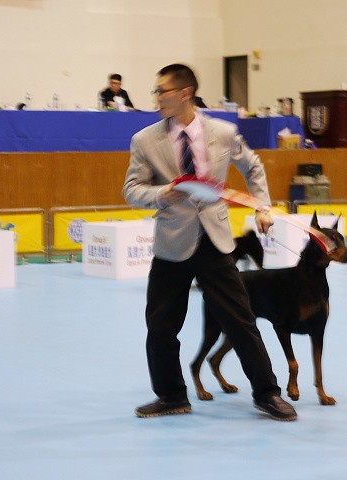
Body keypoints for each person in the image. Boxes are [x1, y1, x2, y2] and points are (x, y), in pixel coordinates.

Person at [122, 63, 296, 421]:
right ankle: (171, 395)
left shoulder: (224, 132)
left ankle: (267, 394)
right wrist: (162, 194)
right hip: (172, 243)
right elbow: (132, 190)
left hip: (214, 241)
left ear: (185, 92)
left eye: (162, 91)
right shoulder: (144, 140)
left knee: (241, 320)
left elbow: (253, 167)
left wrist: (262, 206)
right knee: (161, 326)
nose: (156, 98)